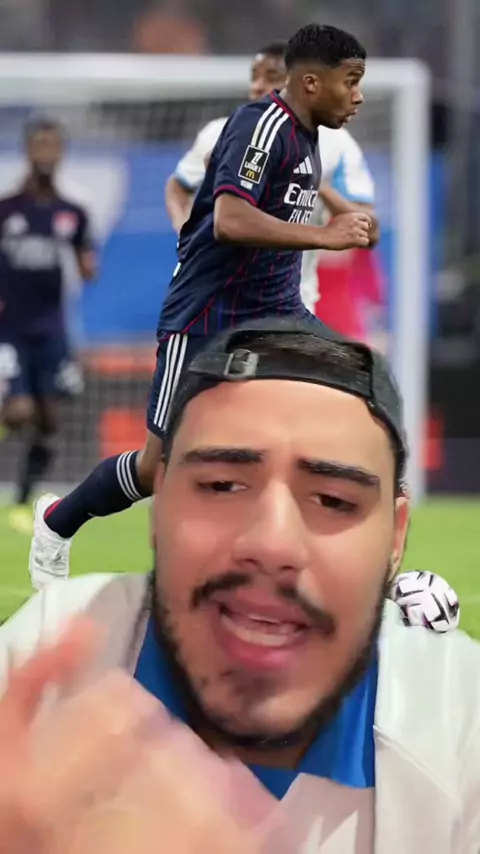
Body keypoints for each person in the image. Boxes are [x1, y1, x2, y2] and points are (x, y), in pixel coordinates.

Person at [1, 316, 479, 852]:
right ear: (159, 505)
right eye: (222, 485)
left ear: (395, 538)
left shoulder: (460, 730)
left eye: (333, 500)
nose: (272, 544)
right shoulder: (42, 668)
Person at [29, 23, 372, 588]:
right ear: (312, 82)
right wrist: (324, 235)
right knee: (156, 468)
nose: (358, 96)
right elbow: (230, 220)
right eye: (351, 81)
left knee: (351, 398)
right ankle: (58, 522)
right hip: (207, 318)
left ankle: (347, 570)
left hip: (275, 317)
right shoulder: (260, 127)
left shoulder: (311, 140)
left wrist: (339, 221)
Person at [0, 118, 96, 534]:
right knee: (18, 411)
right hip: (9, 329)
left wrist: (86, 261)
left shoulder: (72, 213)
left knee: (49, 421)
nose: (46, 153)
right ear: (27, 151)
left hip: (52, 330)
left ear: (61, 153)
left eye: (52, 146)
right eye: (39, 145)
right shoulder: (7, 209)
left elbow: (87, 263)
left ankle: (22, 502)